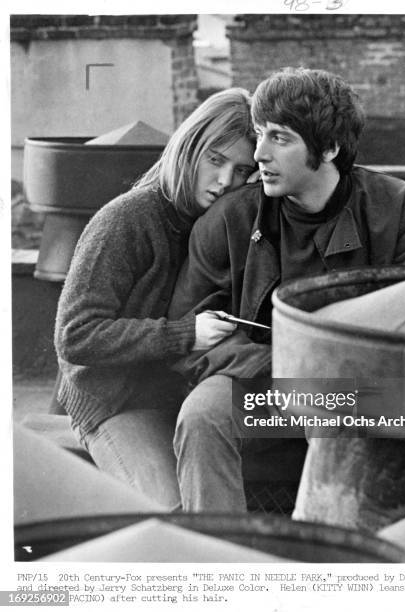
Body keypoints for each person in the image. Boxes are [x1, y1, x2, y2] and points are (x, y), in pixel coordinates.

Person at [168, 67, 405, 513]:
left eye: (280, 138)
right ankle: (216, 563)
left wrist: (331, 378)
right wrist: (290, 368)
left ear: (329, 147)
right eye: (259, 134)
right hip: (264, 390)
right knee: (203, 416)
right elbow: (188, 333)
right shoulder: (230, 220)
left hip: (365, 392)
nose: (258, 154)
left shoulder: (398, 209)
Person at [54, 88, 257, 510]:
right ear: (189, 148)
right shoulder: (127, 218)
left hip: (182, 395)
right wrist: (184, 335)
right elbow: (75, 335)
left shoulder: (223, 223)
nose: (224, 182)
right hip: (114, 401)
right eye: (215, 161)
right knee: (173, 515)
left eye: (241, 171)